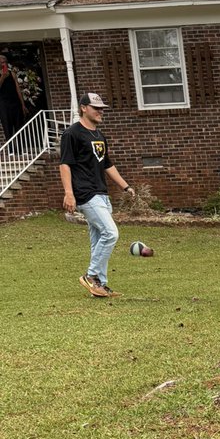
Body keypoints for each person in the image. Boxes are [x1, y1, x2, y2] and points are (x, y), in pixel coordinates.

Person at [59, 92, 134, 298]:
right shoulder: (72, 134)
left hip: (102, 194)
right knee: (111, 233)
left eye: (102, 108)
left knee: (98, 239)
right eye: (96, 108)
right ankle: (91, 276)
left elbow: (107, 164)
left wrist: (125, 187)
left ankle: (98, 286)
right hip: (85, 193)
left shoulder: (99, 135)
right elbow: (65, 164)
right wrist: (69, 193)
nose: (100, 112)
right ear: (83, 108)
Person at [0, 52, 26, 142]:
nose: (5, 64)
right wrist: (2, 77)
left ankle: (20, 149)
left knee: (19, 126)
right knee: (8, 127)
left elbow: (18, 89)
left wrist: (22, 105)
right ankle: (11, 150)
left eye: (5, 62)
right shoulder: (2, 75)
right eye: (2, 62)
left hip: (15, 103)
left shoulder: (12, 74)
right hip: (4, 105)